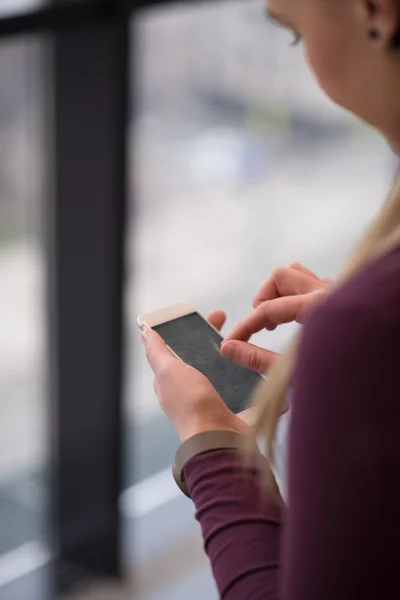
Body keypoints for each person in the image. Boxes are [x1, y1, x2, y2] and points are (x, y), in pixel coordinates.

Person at [141, 1, 400, 598]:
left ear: (375, 13)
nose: (304, 57)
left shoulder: (368, 329)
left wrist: (211, 443)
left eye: (294, 35)